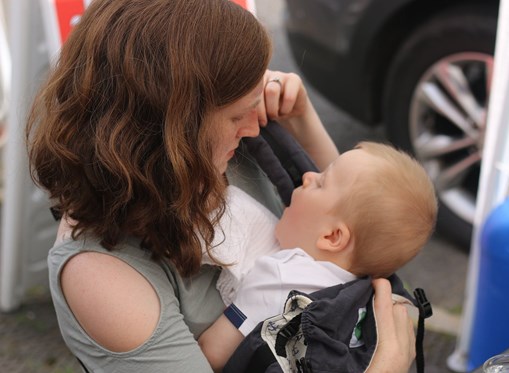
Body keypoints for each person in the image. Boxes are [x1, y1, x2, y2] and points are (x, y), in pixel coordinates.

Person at [25, 0, 417, 372]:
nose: (253, 126)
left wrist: (302, 119)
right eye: (236, 116)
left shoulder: (229, 146)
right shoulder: (103, 276)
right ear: (172, 128)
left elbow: (358, 215)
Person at [198, 142, 438, 371]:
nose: (308, 176)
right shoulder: (363, 300)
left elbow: (213, 353)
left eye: (321, 183)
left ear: (333, 237)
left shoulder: (281, 276)